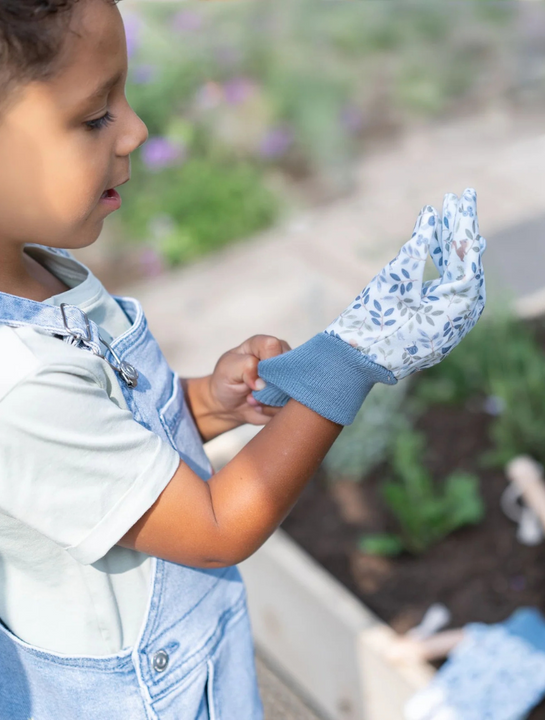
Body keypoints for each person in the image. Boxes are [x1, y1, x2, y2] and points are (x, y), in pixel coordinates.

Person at [0, 0, 486, 718]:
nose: (135, 129)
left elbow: (106, 439)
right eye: (94, 116)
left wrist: (206, 404)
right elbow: (215, 529)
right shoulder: (19, 381)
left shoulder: (37, 271)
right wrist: (350, 359)